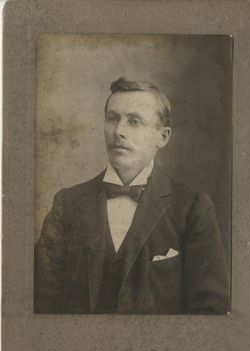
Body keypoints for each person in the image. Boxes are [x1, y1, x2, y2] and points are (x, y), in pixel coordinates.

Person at [34, 77, 230, 314]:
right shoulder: (67, 203)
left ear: (163, 136)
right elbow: (41, 301)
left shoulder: (193, 207)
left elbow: (210, 309)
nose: (118, 131)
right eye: (112, 119)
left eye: (134, 121)